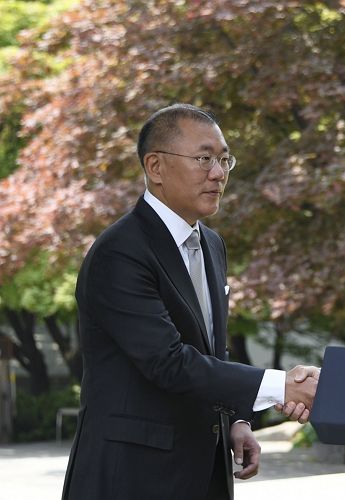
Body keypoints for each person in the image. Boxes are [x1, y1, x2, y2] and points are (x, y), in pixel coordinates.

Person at [62, 104, 319, 500]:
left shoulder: (211, 244)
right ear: (156, 167)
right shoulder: (120, 252)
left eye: (223, 159)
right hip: (133, 478)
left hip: (206, 473)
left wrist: (237, 419)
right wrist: (281, 386)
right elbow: (168, 362)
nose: (218, 173)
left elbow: (210, 348)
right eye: (203, 159)